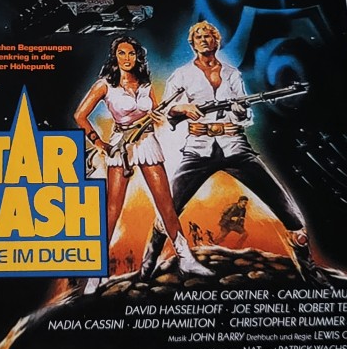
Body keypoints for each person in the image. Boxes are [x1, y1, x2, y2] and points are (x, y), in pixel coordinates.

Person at [141, 20, 324, 282]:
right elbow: (166, 111)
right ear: (192, 44)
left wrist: (239, 111)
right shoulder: (181, 75)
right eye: (199, 36)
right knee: (167, 210)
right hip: (198, 150)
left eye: (209, 35)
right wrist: (184, 108)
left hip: (235, 146)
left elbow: (246, 116)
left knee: (290, 212)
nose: (204, 39)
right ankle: (146, 268)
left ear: (217, 41)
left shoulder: (232, 73)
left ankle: (310, 272)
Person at [74, 35, 210, 288]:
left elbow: (157, 113)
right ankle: (96, 272)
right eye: (121, 53)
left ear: (137, 57)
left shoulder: (145, 83)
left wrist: (161, 116)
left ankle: (186, 258)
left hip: (147, 142)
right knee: (112, 210)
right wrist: (100, 144)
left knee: (166, 204)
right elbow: (80, 116)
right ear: (114, 57)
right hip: (121, 145)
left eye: (131, 53)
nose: (127, 58)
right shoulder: (105, 85)